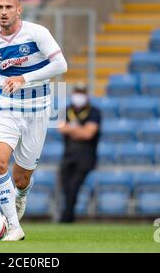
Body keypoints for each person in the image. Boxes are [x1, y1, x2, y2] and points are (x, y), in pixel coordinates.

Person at [0, 0, 68, 241]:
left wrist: (24, 78)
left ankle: (21, 195)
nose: (4, 12)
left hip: (38, 111)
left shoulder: (37, 33)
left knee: (22, 177)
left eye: (8, 7)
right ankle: (14, 227)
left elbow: (61, 65)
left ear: (19, 10)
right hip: (7, 109)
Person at [58, 84, 101, 223]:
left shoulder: (94, 111)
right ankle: (68, 215)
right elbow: (61, 128)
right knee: (66, 185)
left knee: (75, 185)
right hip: (68, 155)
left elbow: (88, 134)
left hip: (86, 156)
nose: (79, 96)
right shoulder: (67, 110)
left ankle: (66, 218)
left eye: (82, 92)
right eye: (77, 92)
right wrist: (79, 130)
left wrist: (72, 129)